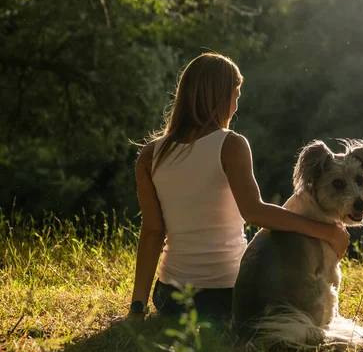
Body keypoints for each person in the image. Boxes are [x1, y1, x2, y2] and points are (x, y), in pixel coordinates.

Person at [128, 52, 350, 322]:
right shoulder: (230, 144)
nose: (235, 106)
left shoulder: (150, 155)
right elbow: (254, 212)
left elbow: (152, 231)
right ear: (220, 97)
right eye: (235, 95)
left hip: (170, 299)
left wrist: (137, 309)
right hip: (230, 296)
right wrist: (327, 231)